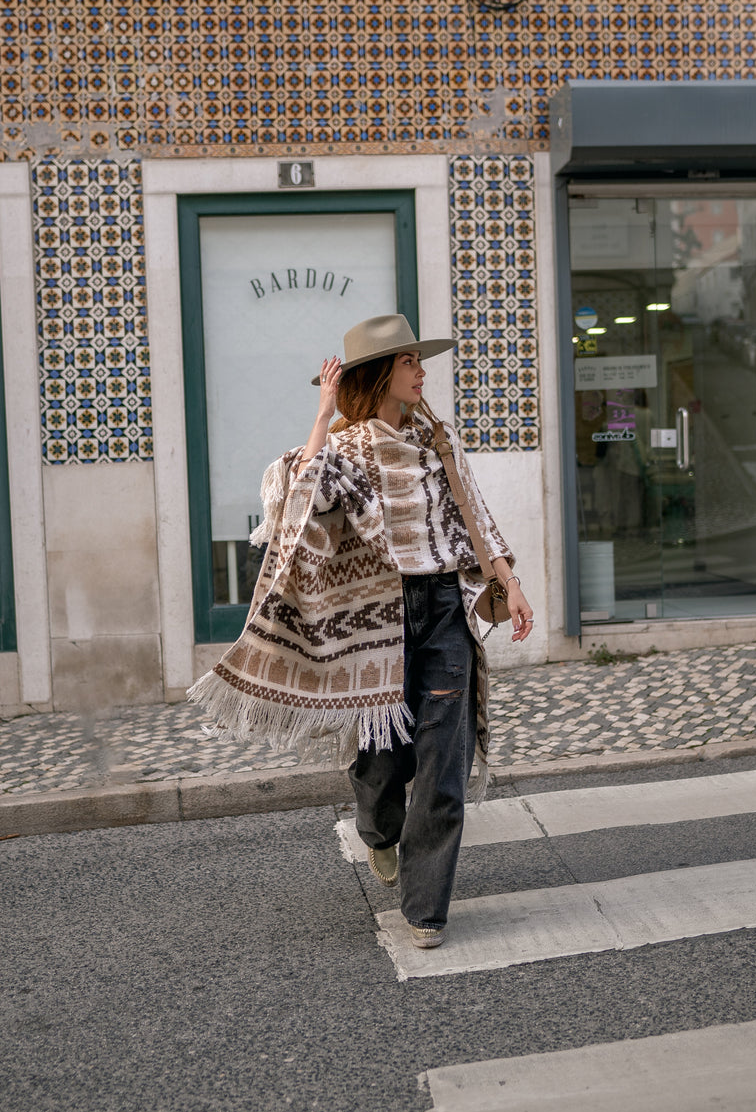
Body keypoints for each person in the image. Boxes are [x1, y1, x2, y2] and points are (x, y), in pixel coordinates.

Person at [189, 314, 533, 949]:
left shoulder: (439, 443)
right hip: (380, 618)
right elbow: (298, 497)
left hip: (445, 611)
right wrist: (324, 412)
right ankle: (379, 829)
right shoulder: (346, 451)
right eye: (409, 363)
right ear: (381, 375)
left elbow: (474, 516)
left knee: (442, 761)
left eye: (418, 362)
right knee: (382, 755)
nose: (422, 371)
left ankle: (425, 908)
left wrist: (507, 582)